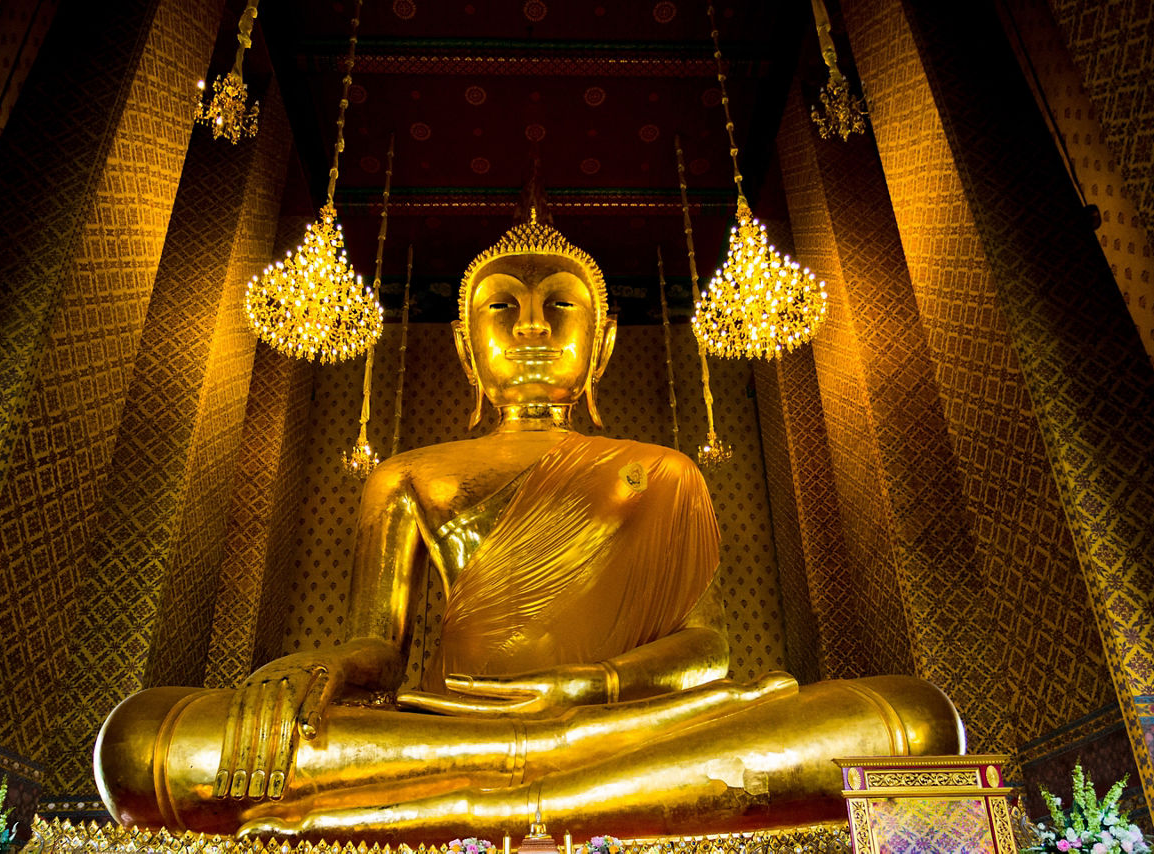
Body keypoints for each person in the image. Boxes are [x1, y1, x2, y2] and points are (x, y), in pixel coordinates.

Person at [95, 212, 964, 841]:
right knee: (152, 742)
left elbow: (707, 649)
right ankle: (530, 796)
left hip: (627, 727)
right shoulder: (409, 475)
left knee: (909, 721)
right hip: (448, 726)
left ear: (607, 342)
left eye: (561, 305)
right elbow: (378, 648)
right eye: (503, 308)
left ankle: (476, 810)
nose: (536, 327)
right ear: (467, 349)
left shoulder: (661, 468)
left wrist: (585, 693)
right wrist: (316, 665)